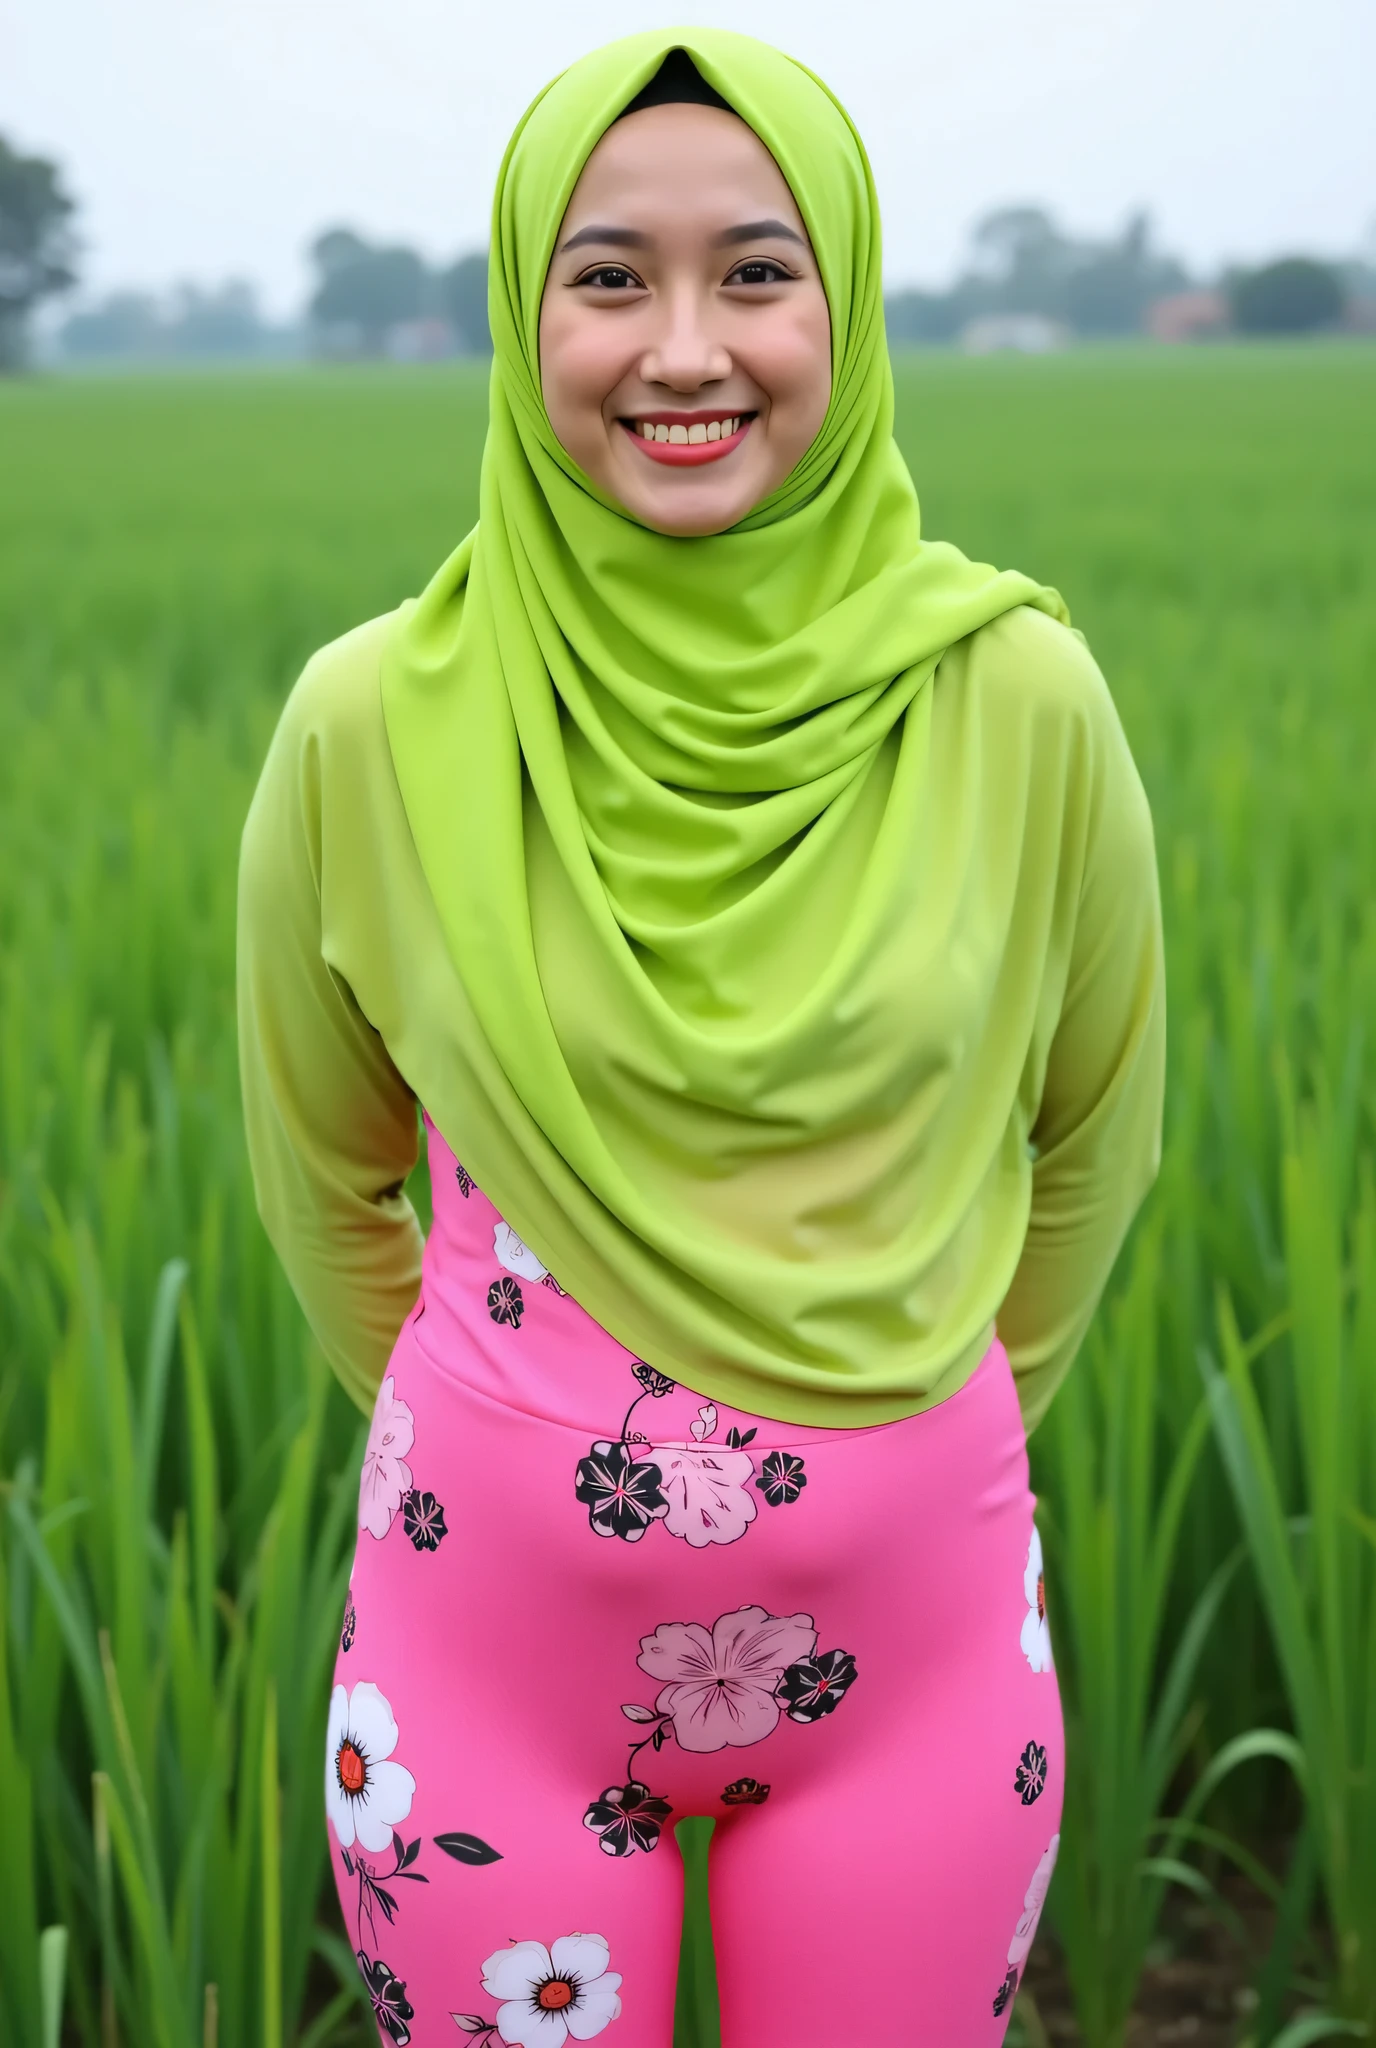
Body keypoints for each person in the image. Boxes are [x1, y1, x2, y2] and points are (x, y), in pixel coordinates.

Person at [237, 27, 1164, 2048]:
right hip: (481, 1674)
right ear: (523, 314)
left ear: (847, 299)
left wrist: (913, 1439)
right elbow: (321, 1172)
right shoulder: (369, 726)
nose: (682, 349)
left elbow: (1096, 1137)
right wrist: (506, 1436)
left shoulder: (1016, 699)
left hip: (916, 1675)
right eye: (607, 277)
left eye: (754, 272)